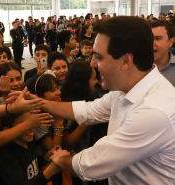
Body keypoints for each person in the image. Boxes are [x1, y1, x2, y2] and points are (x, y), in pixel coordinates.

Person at [26, 16, 175, 184]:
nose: (92, 64)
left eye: (99, 56)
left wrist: (59, 159)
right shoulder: (125, 88)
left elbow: (91, 165)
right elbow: (88, 111)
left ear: (126, 61)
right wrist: (39, 103)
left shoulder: (154, 111)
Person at [0, 113, 61, 185]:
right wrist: (50, 171)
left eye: (31, 122)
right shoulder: (7, 157)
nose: (31, 128)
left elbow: (31, 167)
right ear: (8, 130)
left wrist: (45, 158)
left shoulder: (29, 142)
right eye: (24, 125)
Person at [149, 20, 175, 86]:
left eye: (158, 38)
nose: (152, 43)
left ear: (171, 42)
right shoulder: (136, 66)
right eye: (150, 38)